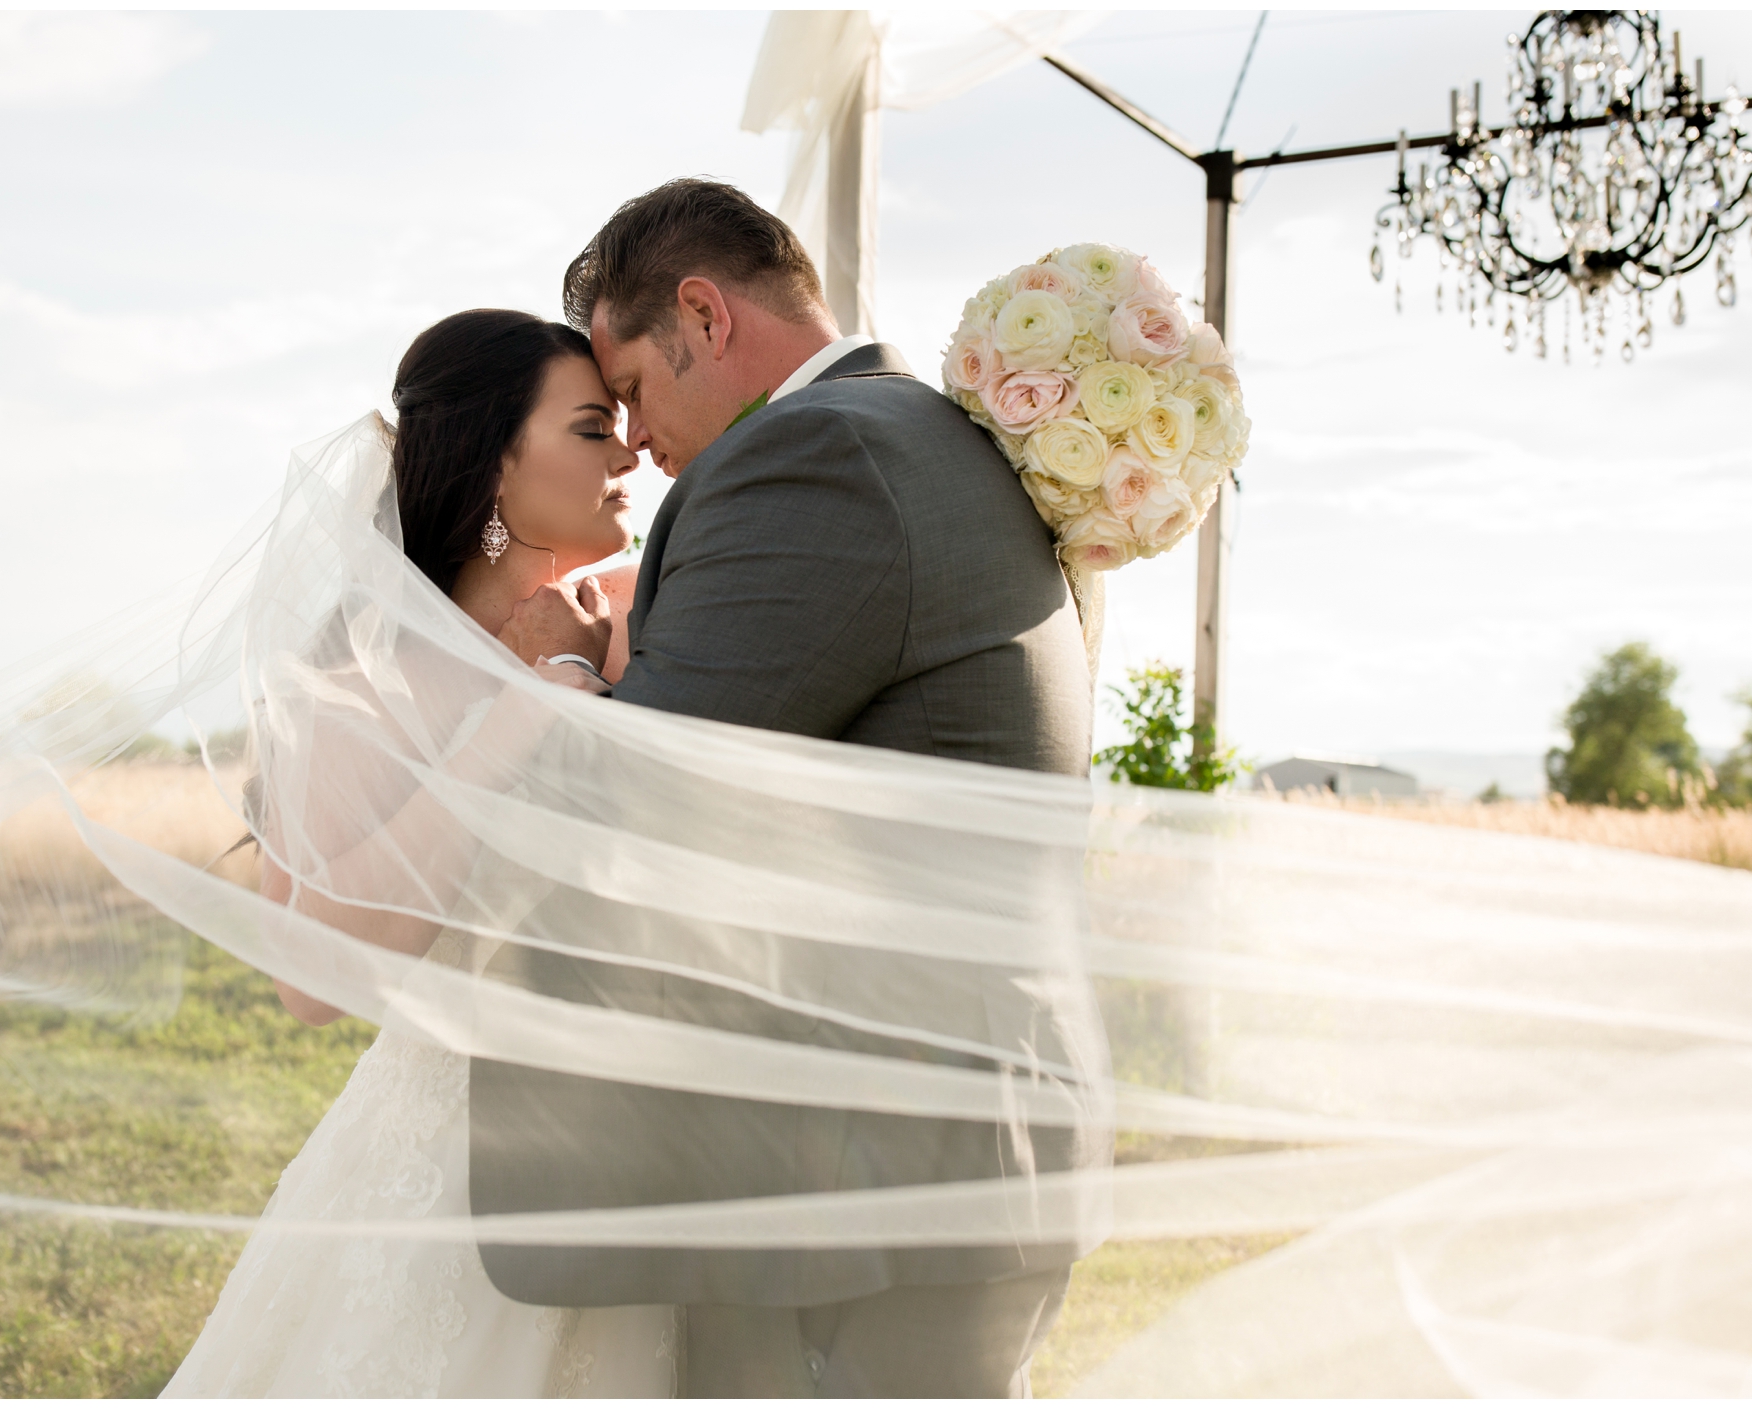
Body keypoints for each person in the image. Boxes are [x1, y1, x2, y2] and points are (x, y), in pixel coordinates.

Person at [478, 178, 1098, 1398]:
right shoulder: (912, 433)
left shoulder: (820, 454)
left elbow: (630, 808)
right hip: (923, 1165)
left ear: (703, 316)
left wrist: (551, 660)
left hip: (864, 1187)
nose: (637, 442)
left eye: (637, 392)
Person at [162, 310, 683, 1397]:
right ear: (494, 463)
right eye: (592, 427)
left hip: (655, 1162)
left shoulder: (652, 622)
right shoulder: (353, 691)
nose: (630, 451)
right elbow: (311, 983)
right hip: (455, 1170)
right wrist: (528, 712)